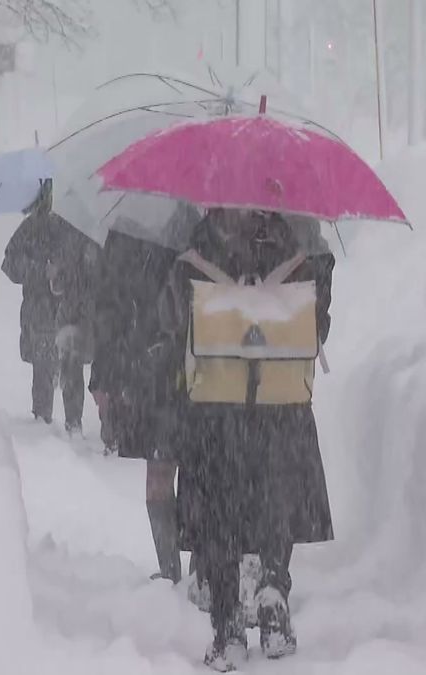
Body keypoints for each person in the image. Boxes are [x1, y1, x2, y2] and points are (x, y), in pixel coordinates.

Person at [155, 208, 335, 671]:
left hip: (216, 410)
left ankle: (228, 623)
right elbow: (318, 327)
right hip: (279, 408)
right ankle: (274, 595)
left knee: (217, 509)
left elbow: (174, 324)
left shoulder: (196, 248)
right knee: (274, 499)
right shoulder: (293, 244)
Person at [88, 223, 183, 580]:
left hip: (165, 370)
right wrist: (105, 375)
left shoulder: (136, 222)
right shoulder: (204, 221)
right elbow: (109, 307)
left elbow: (108, 306)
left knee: (172, 474)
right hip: (173, 370)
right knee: (180, 473)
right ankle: (182, 570)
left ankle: (185, 570)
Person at [2, 180, 99, 433]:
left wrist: (67, 275)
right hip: (40, 312)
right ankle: (41, 423)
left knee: (71, 366)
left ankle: (73, 425)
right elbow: (10, 264)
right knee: (43, 368)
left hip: (70, 311)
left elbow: (94, 268)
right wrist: (41, 272)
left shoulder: (80, 229)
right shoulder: (32, 227)